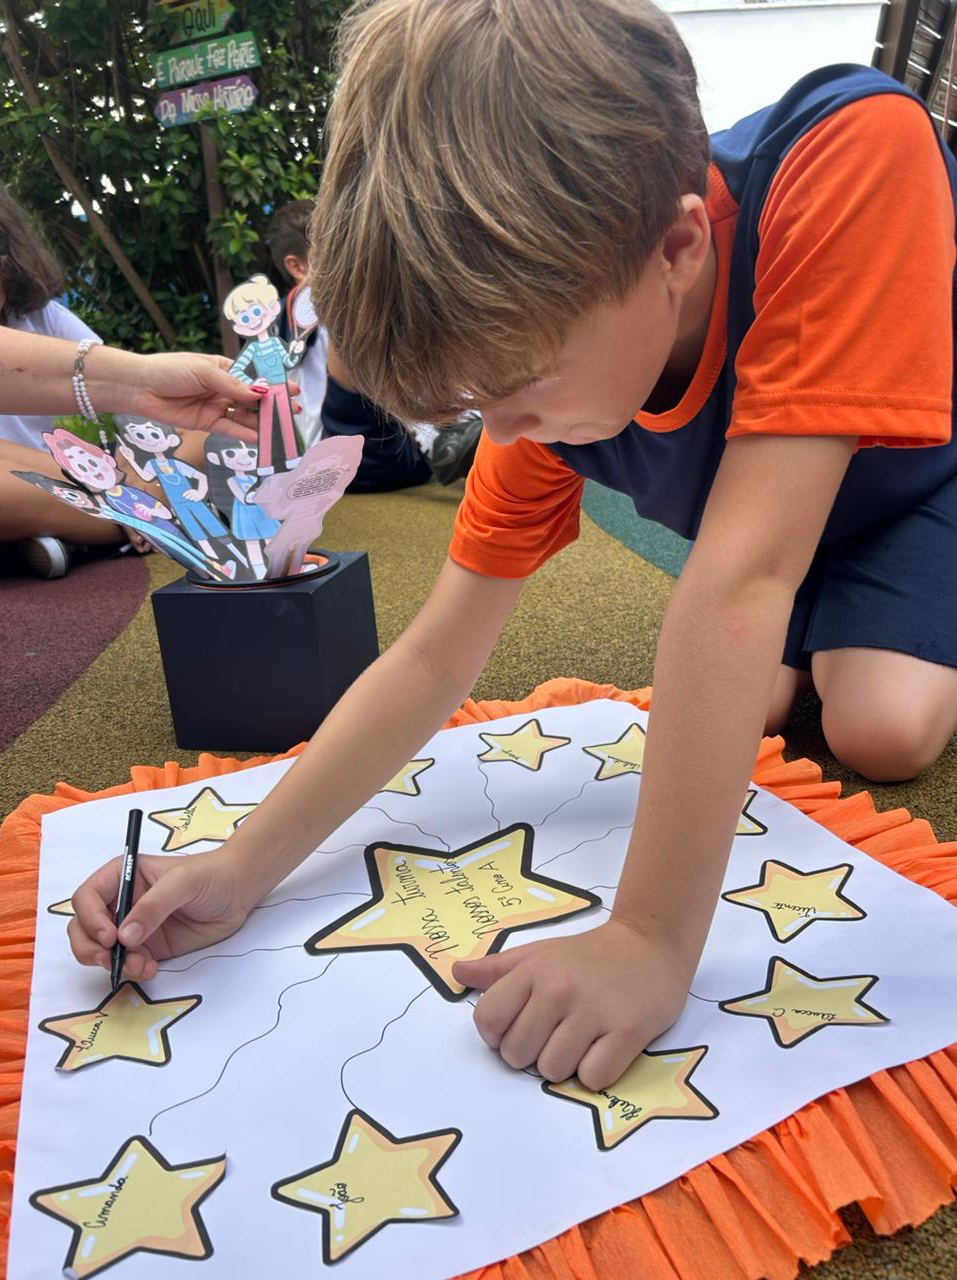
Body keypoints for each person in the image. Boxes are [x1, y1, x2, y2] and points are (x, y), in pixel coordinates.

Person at [68, 0, 957, 1093]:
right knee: (748, 702)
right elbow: (436, 653)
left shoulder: (849, 152)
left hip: (914, 486)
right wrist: (244, 862)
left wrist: (648, 939)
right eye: (478, 401)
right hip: (763, 521)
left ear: (680, 249)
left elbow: (739, 583)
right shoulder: (542, 361)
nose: (504, 430)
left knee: (881, 726)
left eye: (521, 387)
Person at [0, 180, 261, 577]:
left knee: (204, 430)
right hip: (54, 475)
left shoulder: (41, 317)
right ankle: (143, 517)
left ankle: (83, 525)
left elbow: (121, 397)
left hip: (76, 473)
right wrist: (119, 484)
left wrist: (130, 464)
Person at [267, 198, 481, 489]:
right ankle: (449, 435)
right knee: (350, 298)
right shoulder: (293, 310)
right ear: (297, 266)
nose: (349, 257)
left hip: (391, 445)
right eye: (332, 250)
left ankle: (460, 432)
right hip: (352, 453)